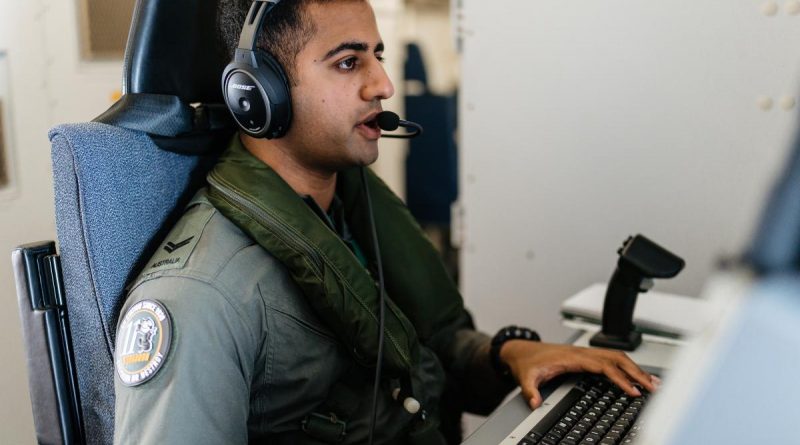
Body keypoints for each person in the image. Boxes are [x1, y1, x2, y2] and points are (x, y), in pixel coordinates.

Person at [113, 1, 658, 444]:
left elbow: (418, 348)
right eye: (349, 63)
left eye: (376, 55)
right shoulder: (201, 296)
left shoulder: (348, 206)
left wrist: (509, 353)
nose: (384, 85)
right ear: (259, 96)